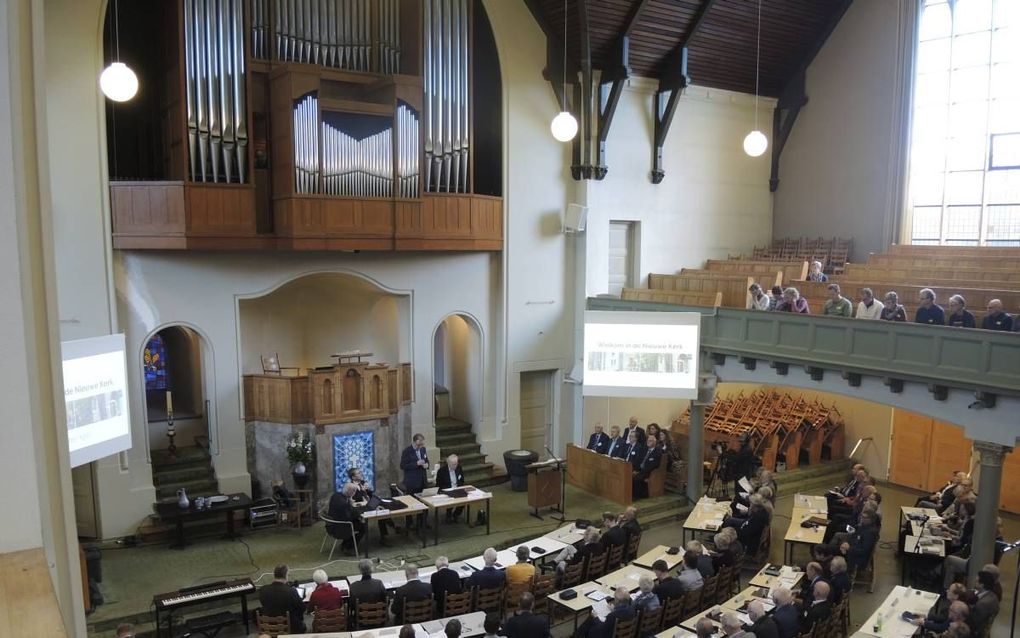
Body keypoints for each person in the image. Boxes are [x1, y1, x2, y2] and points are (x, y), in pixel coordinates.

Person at [345, 467, 394, 543]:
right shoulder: (350, 486)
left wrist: (369, 489)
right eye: (358, 473)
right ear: (353, 477)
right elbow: (355, 499)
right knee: (380, 513)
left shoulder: (363, 482)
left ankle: (385, 535)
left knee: (383, 511)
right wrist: (362, 491)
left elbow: (370, 495)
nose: (361, 474)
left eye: (360, 472)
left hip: (368, 504)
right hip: (359, 508)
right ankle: (392, 527)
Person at [259, 564, 306, 634]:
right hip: (288, 626)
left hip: (270, 625)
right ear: (286, 575)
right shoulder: (291, 591)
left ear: (274, 575)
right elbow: (302, 608)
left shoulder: (263, 590)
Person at [326, 483, 365, 553]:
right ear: (350, 491)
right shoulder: (344, 504)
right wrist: (357, 512)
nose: (354, 493)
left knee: (358, 522)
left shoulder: (336, 495)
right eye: (354, 491)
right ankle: (349, 547)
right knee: (363, 527)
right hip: (339, 527)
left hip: (333, 523)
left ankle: (345, 544)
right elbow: (349, 517)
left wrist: (349, 502)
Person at [968, 569, 1000, 637]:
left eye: (976, 581)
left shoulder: (983, 604)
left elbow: (972, 623)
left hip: (976, 632)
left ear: (982, 585)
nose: (974, 581)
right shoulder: (992, 594)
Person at [436, 453, 466, 522]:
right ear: (448, 463)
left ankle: (456, 514)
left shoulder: (459, 468)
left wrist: (460, 488)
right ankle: (448, 514)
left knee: (464, 500)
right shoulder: (442, 471)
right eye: (453, 464)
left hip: (457, 489)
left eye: (456, 463)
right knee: (450, 499)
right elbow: (439, 485)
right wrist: (447, 490)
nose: (455, 466)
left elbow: (462, 480)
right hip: (447, 490)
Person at [632, 432, 662, 499]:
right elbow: (639, 460)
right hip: (640, 470)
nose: (648, 442)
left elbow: (653, 465)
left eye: (650, 441)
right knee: (630, 475)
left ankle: (637, 496)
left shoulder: (657, 452)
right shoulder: (644, 449)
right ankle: (631, 494)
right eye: (648, 440)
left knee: (636, 479)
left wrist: (639, 472)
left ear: (655, 442)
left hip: (649, 473)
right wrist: (636, 469)